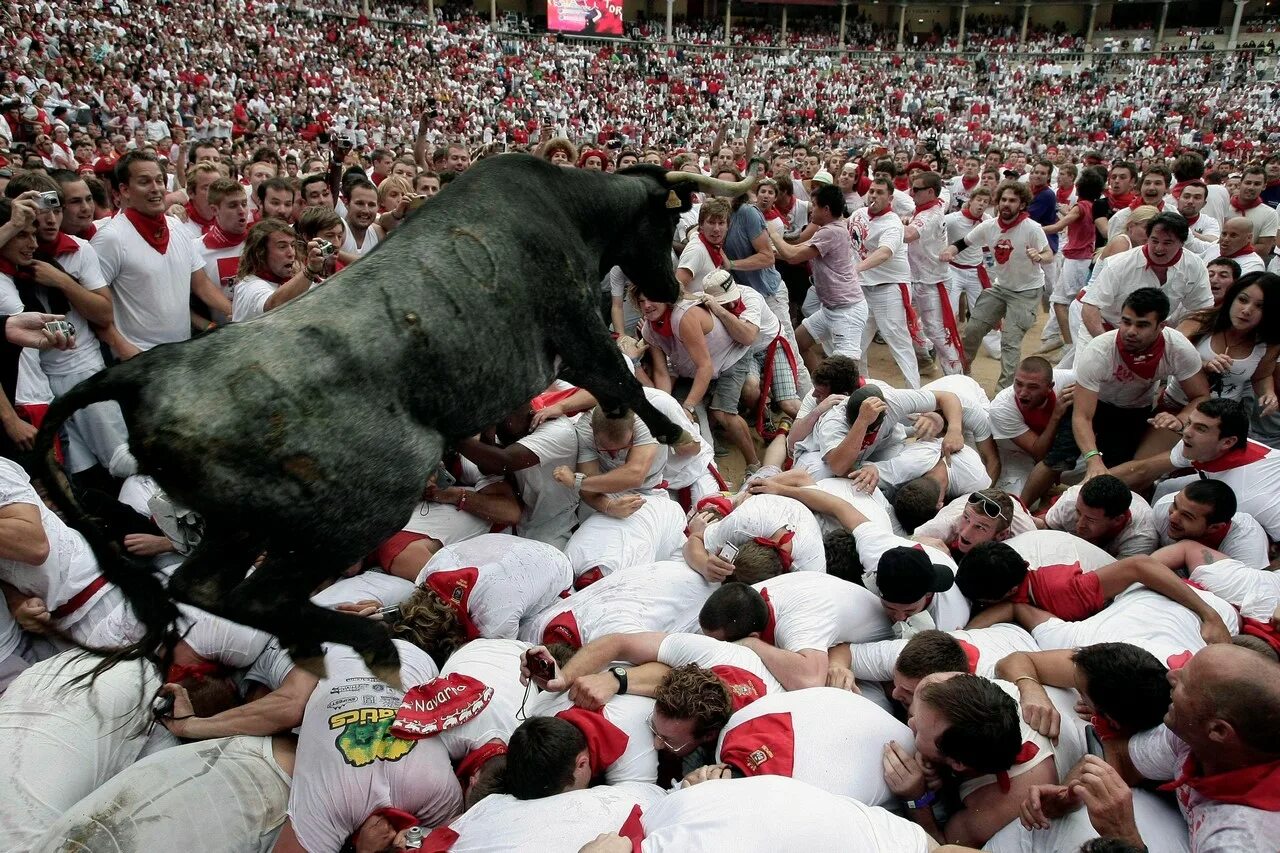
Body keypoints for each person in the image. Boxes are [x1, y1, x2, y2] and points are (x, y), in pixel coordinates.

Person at [1032, 645, 1280, 852]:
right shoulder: (1188, 735)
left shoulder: (1245, 840)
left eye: (1187, 682)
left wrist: (1126, 838)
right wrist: (1071, 793)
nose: (1171, 675)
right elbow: (1123, 758)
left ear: (1218, 731)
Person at [91, 151, 231, 356]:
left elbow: (201, 284)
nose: (156, 188)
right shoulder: (110, 239)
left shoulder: (178, 228)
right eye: (144, 182)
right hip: (138, 359)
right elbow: (94, 309)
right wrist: (124, 349)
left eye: (159, 180)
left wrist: (234, 313)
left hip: (181, 353)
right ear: (124, 190)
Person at [958, 539, 1230, 642]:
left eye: (983, 601)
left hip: (1172, 603)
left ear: (1010, 591)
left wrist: (1208, 615)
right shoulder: (1008, 583)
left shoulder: (1064, 590)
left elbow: (1138, 565)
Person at [1071, 288, 1209, 476]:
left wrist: (1180, 419)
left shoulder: (1178, 348)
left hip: (1134, 410)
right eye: (1126, 322)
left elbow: (1201, 396)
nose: (1130, 332)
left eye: (1142, 325)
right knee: (1055, 461)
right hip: (1096, 402)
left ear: (1161, 326)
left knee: (1117, 468)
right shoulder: (1099, 351)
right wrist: (1093, 459)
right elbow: (1082, 417)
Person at [1111, 397, 1280, 541]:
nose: (1186, 432)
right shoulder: (1199, 445)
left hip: (1258, 511)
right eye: (1190, 423)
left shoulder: (1253, 499)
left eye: (1201, 429)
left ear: (1228, 442)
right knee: (1166, 489)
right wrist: (1087, 485)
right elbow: (1143, 469)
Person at [941, 180, 1052, 390]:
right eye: (1003, 200)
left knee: (1010, 341)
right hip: (1001, 288)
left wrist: (1039, 256)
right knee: (973, 329)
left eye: (1012, 200)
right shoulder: (989, 226)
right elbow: (963, 242)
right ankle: (961, 376)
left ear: (1022, 205)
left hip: (1026, 291)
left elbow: (1049, 255)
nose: (1006, 204)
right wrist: (949, 252)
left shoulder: (1032, 228)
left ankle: (1004, 393)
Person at [770, 183, 867, 374]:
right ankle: (820, 384)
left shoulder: (831, 231)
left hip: (846, 312)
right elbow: (797, 251)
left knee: (846, 370)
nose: (810, 209)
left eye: (814, 205)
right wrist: (770, 252)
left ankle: (849, 400)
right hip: (832, 308)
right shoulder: (831, 229)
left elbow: (792, 256)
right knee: (799, 341)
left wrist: (772, 233)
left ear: (826, 209)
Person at [1081, 213, 1212, 353]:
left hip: (1151, 338)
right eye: (1154, 241)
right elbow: (1090, 307)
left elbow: (1202, 311)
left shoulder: (1194, 265)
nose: (1159, 248)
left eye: (1167, 243)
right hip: (1103, 327)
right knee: (1085, 372)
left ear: (1182, 243)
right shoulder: (1119, 264)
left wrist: (1172, 344)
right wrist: (1112, 348)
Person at [849, 177, 921, 388]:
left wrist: (855, 269)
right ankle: (861, 388)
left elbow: (884, 253)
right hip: (863, 288)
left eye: (880, 192)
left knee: (898, 342)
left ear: (890, 198)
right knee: (857, 343)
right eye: (872, 191)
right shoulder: (858, 215)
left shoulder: (893, 223)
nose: (873, 196)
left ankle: (915, 396)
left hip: (890, 287)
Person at [905, 170, 965, 375]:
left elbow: (909, 235)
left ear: (930, 192)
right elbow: (946, 192)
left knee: (937, 332)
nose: (911, 193)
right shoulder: (937, 203)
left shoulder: (929, 215)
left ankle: (956, 377)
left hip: (931, 282)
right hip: (918, 279)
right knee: (906, 322)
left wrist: (889, 223)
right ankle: (925, 358)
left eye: (916, 190)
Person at [1150, 480, 1268, 568]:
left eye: (1187, 516)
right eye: (1175, 505)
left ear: (1214, 527)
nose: (1172, 517)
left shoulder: (1246, 550)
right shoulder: (1163, 508)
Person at [1038, 475, 1158, 558]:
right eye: (1078, 512)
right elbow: (1046, 527)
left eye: (1090, 519)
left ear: (1117, 520)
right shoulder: (1070, 501)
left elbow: (1118, 579)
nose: (1080, 524)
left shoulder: (1141, 537)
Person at [231, 219, 325, 322]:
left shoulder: (293, 279)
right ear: (260, 253)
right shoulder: (248, 287)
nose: (291, 253)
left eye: (292, 245)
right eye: (282, 246)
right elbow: (273, 305)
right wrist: (310, 271)